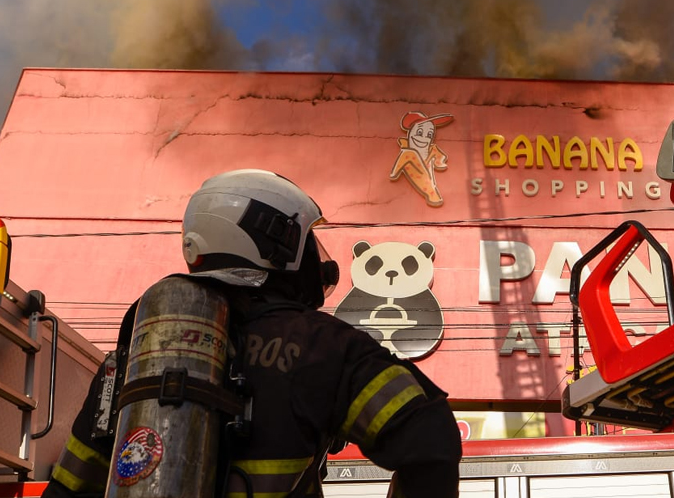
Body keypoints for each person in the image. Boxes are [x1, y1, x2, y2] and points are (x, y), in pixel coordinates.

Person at [45, 169, 462, 498]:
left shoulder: (139, 350)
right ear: (277, 239)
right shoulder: (323, 345)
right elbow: (432, 437)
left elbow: (71, 482)